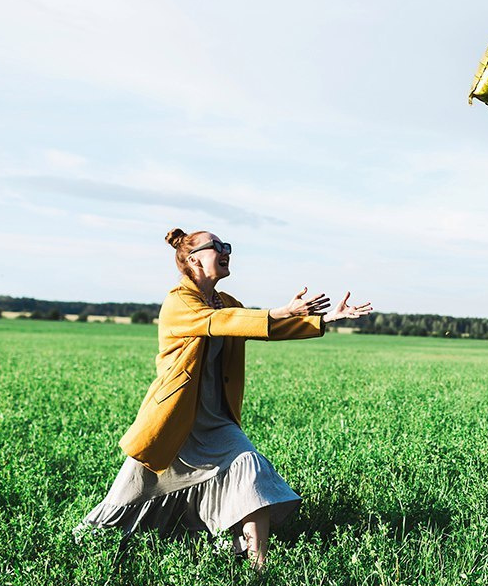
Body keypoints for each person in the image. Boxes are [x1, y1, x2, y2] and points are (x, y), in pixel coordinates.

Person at [79, 228, 373, 567]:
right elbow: (219, 322)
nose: (225, 251)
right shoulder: (179, 301)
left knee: (249, 466)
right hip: (175, 419)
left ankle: (258, 566)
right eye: (216, 246)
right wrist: (282, 309)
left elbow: (260, 327)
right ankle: (95, 544)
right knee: (129, 498)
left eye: (226, 246)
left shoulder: (228, 302)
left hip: (216, 419)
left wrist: (324, 319)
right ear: (193, 259)